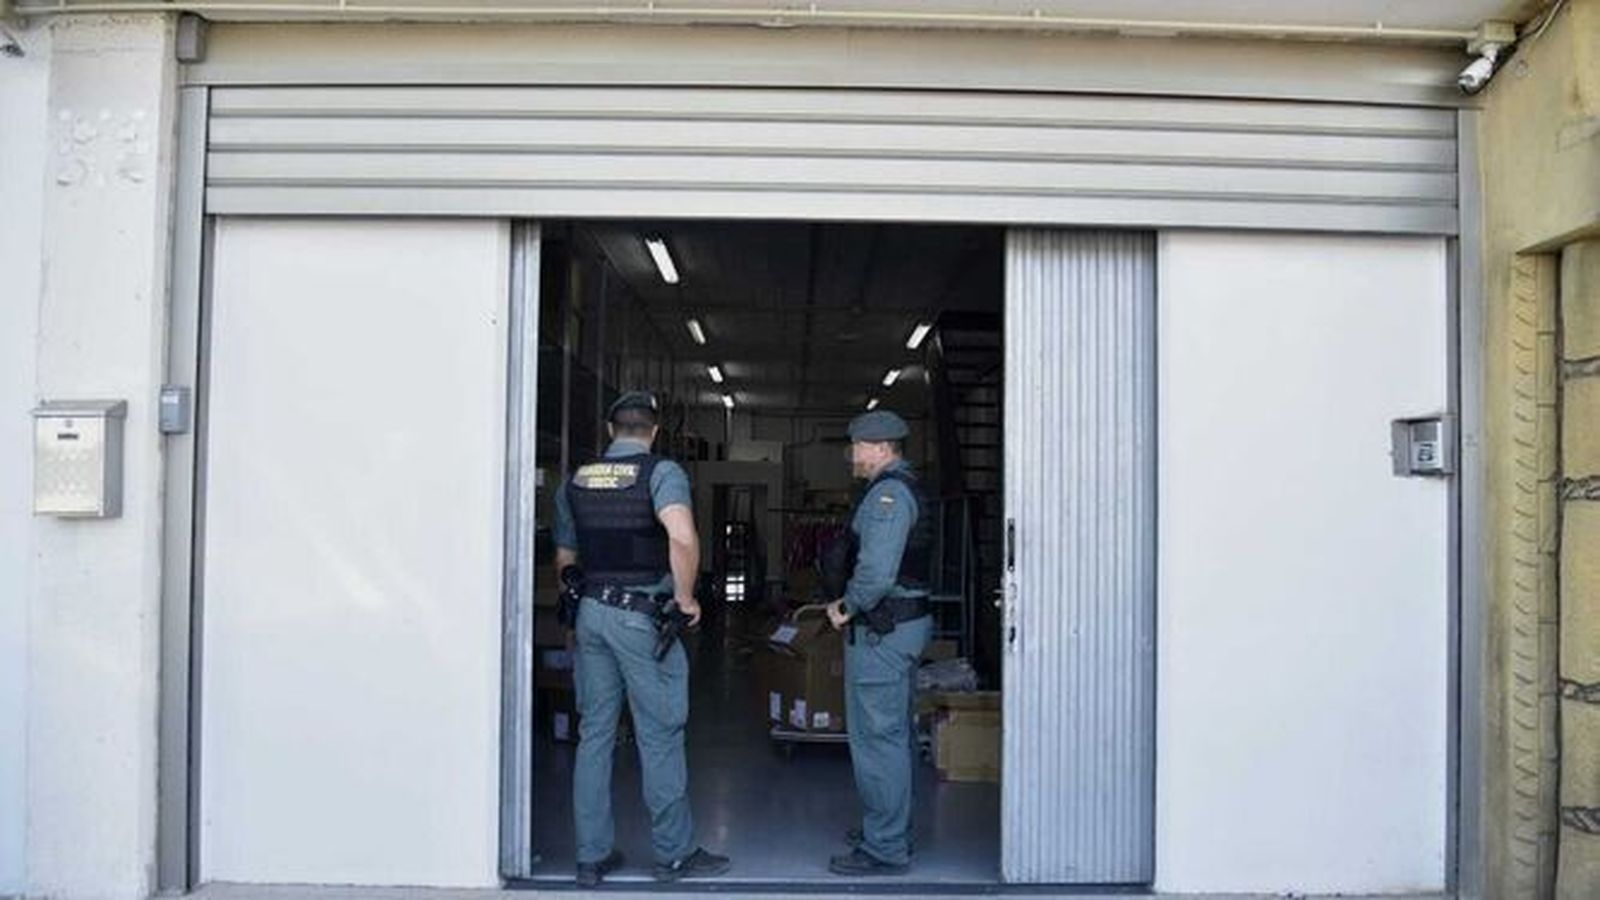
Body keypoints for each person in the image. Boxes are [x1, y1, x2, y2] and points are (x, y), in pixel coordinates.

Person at [554, 391, 731, 887]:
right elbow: (680, 536)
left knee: (595, 736)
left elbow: (566, 560)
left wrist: (575, 619)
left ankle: (591, 857)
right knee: (659, 734)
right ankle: (673, 854)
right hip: (640, 618)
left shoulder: (576, 479)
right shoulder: (660, 472)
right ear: (653, 431)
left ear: (613, 430)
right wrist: (687, 597)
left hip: (591, 613)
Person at [825, 409, 935, 876]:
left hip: (882, 630)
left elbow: (876, 573)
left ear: (881, 447)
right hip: (898, 627)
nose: (853, 454)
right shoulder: (898, 488)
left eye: (858, 446)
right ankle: (890, 829)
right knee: (893, 736)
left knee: (878, 740)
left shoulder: (889, 494)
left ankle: (885, 847)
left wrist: (845, 607)